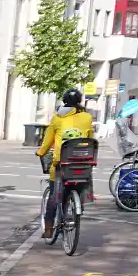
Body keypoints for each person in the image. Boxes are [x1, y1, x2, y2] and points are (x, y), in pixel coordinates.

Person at [35, 89, 94, 239]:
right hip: (82, 164)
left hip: (62, 164)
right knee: (81, 181)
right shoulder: (87, 117)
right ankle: (78, 205)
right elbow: (90, 138)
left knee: (54, 197)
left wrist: (40, 152)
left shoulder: (57, 118)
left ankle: (48, 229)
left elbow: (48, 141)